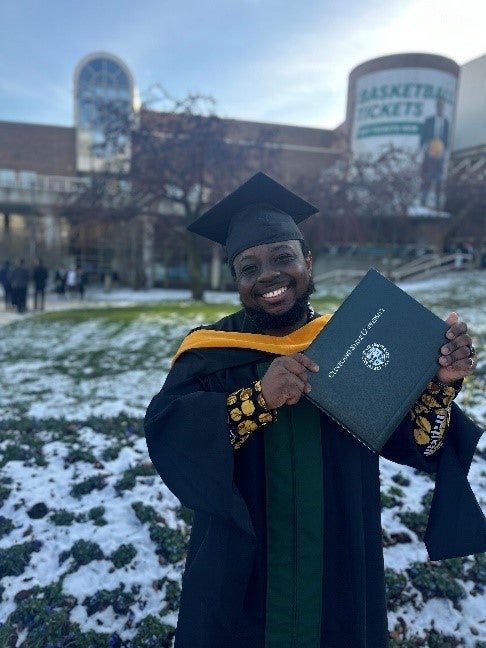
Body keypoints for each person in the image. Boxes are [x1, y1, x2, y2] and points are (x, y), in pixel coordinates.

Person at [144, 173, 485, 648]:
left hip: (337, 556)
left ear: (307, 260)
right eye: (249, 266)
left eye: (283, 257)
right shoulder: (209, 353)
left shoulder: (351, 339)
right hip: (244, 567)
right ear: (237, 280)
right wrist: (256, 399)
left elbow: (416, 440)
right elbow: (171, 437)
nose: (268, 275)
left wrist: (441, 386)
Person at [420, 97, 450, 210]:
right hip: (429, 153)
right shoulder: (429, 120)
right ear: (436, 107)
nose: (440, 108)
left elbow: (446, 139)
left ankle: (437, 204)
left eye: (442, 106)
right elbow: (423, 136)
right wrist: (425, 147)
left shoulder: (446, 122)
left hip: (440, 154)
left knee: (439, 178)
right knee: (427, 176)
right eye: (438, 105)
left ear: (443, 108)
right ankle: (423, 201)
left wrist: (444, 151)